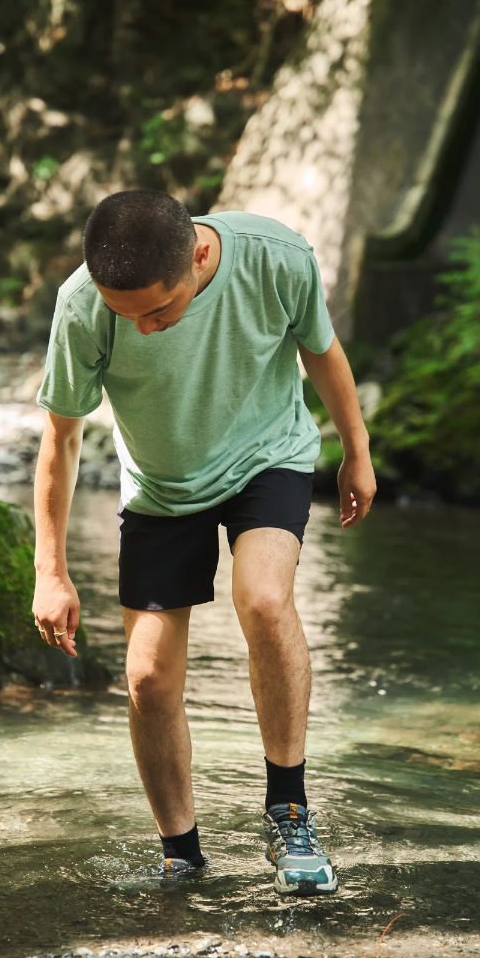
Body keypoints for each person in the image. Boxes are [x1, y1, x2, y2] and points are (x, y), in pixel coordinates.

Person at [31, 190, 376, 896]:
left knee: (264, 599)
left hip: (267, 457)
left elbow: (322, 352)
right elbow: (61, 439)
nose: (145, 329)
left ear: (200, 254)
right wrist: (51, 571)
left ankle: (289, 812)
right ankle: (182, 856)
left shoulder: (277, 257)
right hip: (161, 486)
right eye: (129, 316)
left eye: (159, 310)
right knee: (148, 678)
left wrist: (356, 451)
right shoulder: (83, 306)